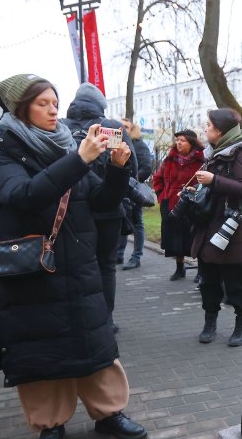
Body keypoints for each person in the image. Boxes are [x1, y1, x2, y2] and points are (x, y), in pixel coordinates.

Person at [0, 74, 146, 439]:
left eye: (56, 102)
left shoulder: (67, 144)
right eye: (43, 104)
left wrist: (119, 169)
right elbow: (20, 195)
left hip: (78, 262)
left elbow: (100, 201)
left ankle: (108, 414)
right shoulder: (2, 148)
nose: (54, 110)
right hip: (32, 268)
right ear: (20, 108)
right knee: (41, 348)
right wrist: (81, 159)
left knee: (94, 342)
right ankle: (50, 426)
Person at [62, 83, 137, 335]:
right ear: (100, 106)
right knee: (105, 267)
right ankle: (106, 320)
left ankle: (77, 318)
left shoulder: (61, 127)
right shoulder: (111, 127)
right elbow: (130, 166)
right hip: (108, 210)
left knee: (74, 266)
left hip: (72, 210)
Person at [190, 109, 242, 347]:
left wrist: (213, 181)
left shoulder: (240, 153)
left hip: (231, 226)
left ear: (220, 130)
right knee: (208, 280)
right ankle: (210, 323)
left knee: (236, 280)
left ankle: (241, 326)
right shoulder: (214, 152)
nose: (205, 128)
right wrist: (196, 191)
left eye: (208, 125)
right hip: (209, 224)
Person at [153, 129, 204, 280]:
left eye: (183, 140)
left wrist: (195, 192)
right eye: (177, 140)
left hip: (193, 205)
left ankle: (201, 272)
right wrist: (162, 197)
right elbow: (158, 179)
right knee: (176, 238)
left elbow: (205, 184)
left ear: (191, 142)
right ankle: (179, 268)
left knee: (195, 237)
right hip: (171, 205)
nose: (179, 143)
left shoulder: (201, 162)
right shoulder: (170, 159)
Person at [118, 118, 154, 270]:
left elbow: (146, 167)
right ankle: (119, 255)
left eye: (126, 126)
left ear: (133, 129)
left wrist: (130, 182)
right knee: (121, 220)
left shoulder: (139, 145)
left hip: (133, 191)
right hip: (119, 189)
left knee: (137, 222)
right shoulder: (116, 143)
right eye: (120, 126)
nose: (122, 129)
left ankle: (136, 257)